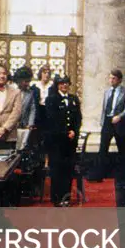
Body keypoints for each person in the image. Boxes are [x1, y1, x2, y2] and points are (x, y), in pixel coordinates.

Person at [91, 68, 125, 181]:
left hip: (119, 123)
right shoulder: (107, 92)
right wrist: (103, 121)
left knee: (122, 150)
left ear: (119, 80)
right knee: (103, 148)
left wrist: (119, 116)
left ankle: (123, 176)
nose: (111, 80)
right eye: (110, 78)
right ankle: (99, 175)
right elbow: (104, 109)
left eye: (113, 78)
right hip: (107, 122)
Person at [45, 75, 81, 206]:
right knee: (57, 169)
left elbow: (78, 118)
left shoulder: (73, 99)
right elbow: (52, 120)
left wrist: (74, 131)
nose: (64, 86)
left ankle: (66, 197)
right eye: (61, 83)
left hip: (70, 142)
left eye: (66, 83)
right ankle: (56, 198)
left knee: (68, 169)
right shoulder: (51, 99)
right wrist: (65, 133)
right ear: (57, 85)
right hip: (56, 141)